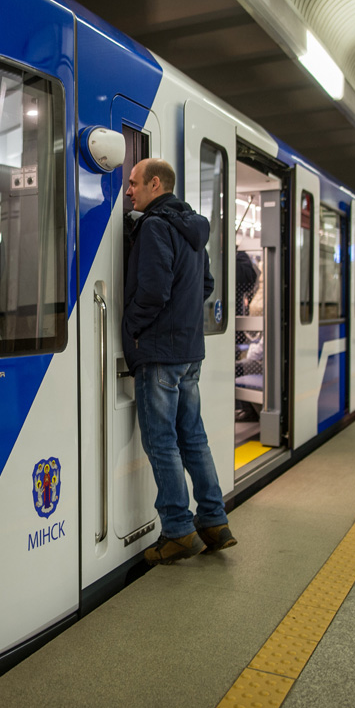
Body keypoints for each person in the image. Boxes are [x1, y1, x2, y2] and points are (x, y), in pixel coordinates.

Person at [122, 158, 237, 565]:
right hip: (189, 352)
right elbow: (204, 284)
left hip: (159, 352)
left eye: (134, 183)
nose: (129, 190)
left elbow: (153, 291)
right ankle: (214, 520)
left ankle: (177, 529)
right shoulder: (192, 230)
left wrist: (131, 327)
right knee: (193, 437)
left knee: (162, 440)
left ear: (156, 184)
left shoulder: (154, 227)